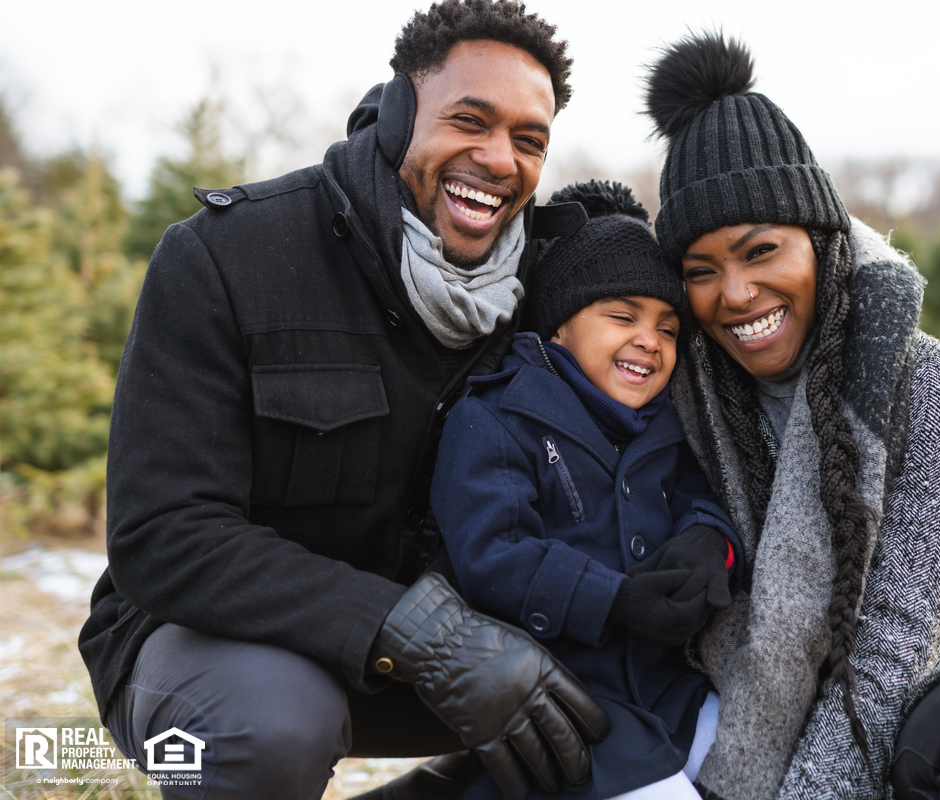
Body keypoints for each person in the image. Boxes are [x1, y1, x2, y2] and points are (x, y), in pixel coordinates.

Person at [77, 3, 613, 799]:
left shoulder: (550, 287)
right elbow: (163, 534)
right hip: (216, 650)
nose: (499, 159)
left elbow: (705, 299)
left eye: (529, 140)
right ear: (399, 116)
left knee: (626, 696)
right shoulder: (227, 256)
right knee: (272, 727)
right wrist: (420, 633)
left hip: (452, 659)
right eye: (470, 120)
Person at [643, 31, 940, 800]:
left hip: (890, 723)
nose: (737, 294)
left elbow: (894, 651)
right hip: (724, 717)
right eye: (702, 272)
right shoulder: (681, 389)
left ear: (822, 245)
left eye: (761, 252)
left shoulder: (933, 387)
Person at [430, 180, 743, 800]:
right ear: (559, 328)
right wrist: (614, 599)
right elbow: (494, 554)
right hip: (560, 700)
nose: (649, 341)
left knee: (766, 763)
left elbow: (698, 497)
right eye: (622, 316)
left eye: (669, 328)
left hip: (666, 694)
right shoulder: (496, 418)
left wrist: (710, 542)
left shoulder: (665, 423)